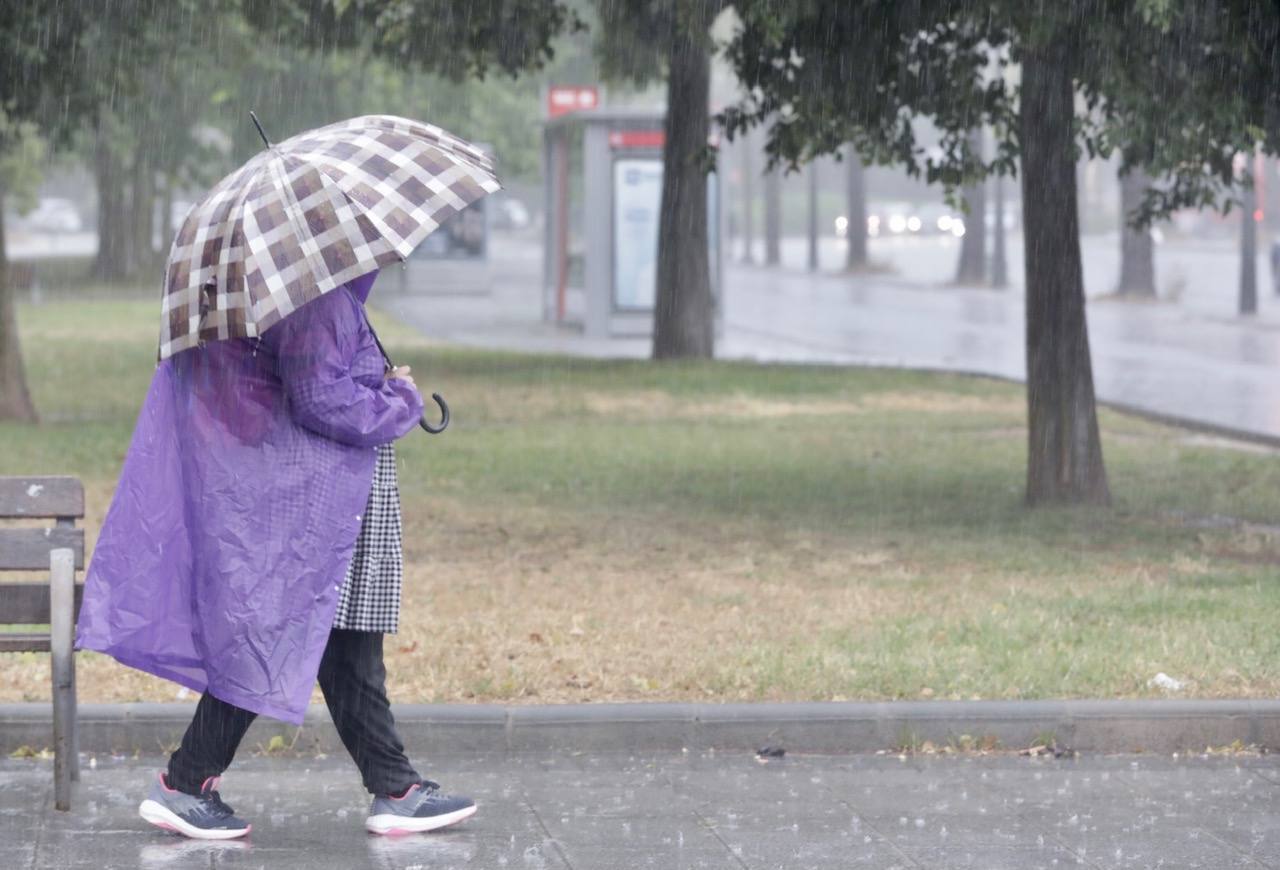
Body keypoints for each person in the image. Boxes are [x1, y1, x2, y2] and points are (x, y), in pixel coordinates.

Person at [76, 271, 474, 840]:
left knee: (344, 646)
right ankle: (185, 783)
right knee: (274, 639)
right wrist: (399, 398)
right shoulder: (318, 297)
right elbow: (322, 399)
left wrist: (377, 379)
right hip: (327, 505)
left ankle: (395, 788)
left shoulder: (302, 290)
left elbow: (315, 380)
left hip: (326, 497)